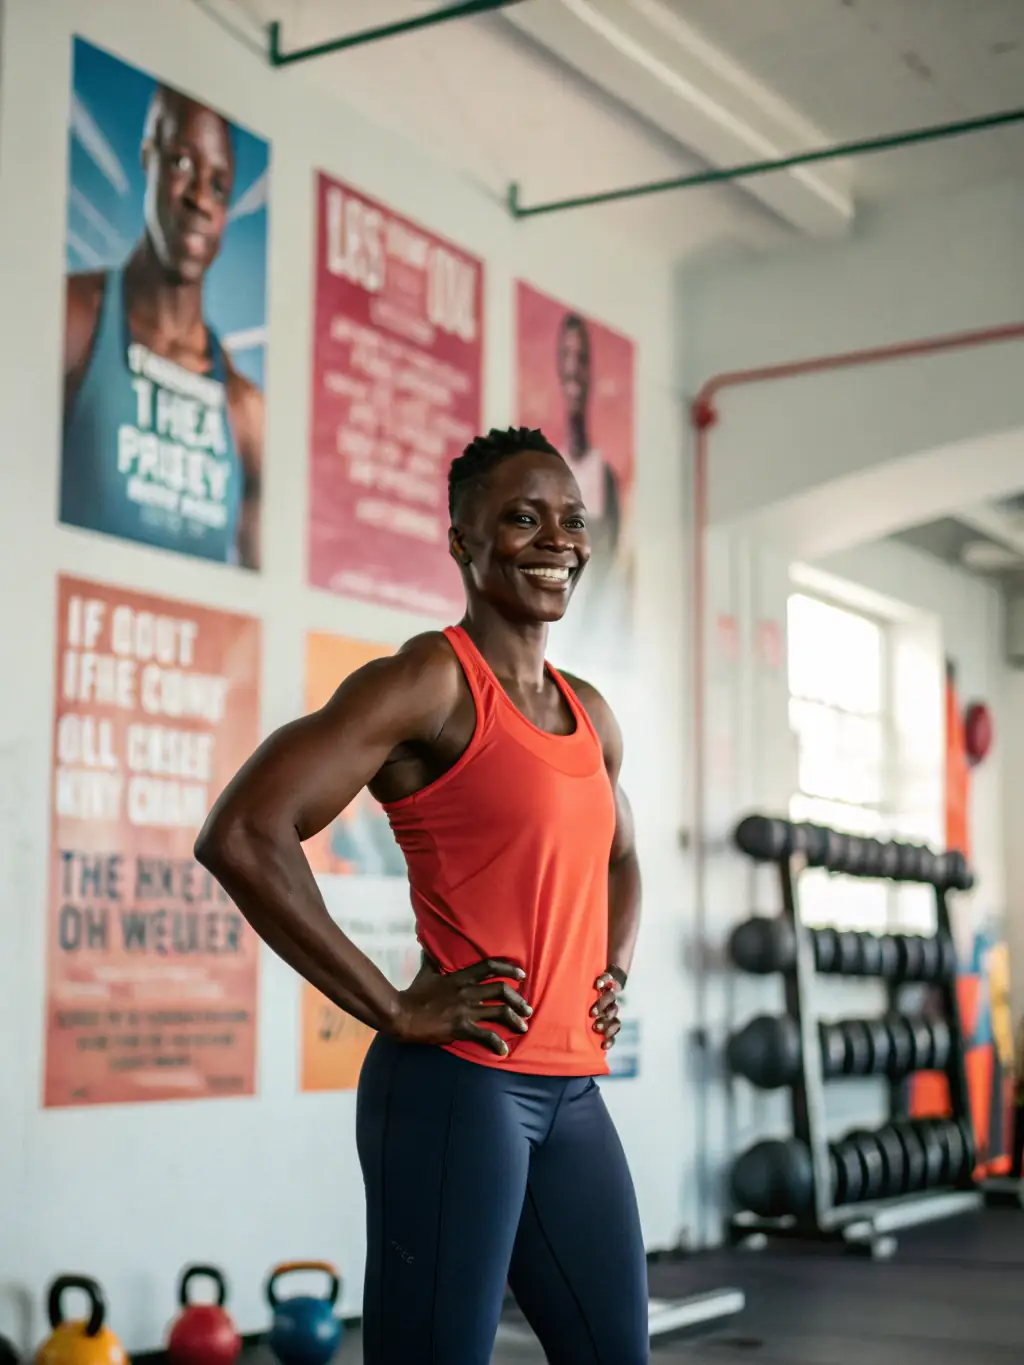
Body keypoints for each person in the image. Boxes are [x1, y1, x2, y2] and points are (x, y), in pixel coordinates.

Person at [194, 425, 649, 1365]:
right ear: (462, 540)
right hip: (460, 1088)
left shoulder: (590, 712)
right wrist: (394, 1005)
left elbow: (622, 855)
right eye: (522, 518)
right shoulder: (429, 682)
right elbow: (243, 831)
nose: (556, 539)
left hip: (572, 1094)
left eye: (570, 518)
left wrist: (615, 965)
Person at [61, 84, 263, 568]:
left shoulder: (245, 410)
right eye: (182, 163)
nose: (200, 200)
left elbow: (256, 608)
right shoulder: (73, 320)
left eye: (218, 186)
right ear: (148, 155)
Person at [554, 313, 631, 660]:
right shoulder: (544, 468)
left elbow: (613, 567)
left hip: (591, 645)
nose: (572, 369)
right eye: (565, 357)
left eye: (581, 358)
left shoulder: (606, 479)